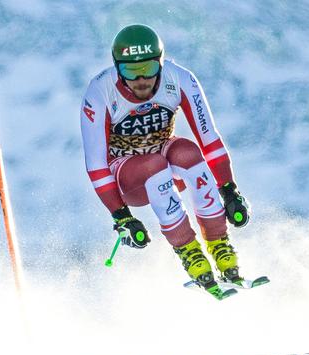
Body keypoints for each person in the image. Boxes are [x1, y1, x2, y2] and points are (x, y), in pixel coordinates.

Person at [80, 24, 251, 298]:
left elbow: (209, 138)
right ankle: (189, 253)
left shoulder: (179, 78)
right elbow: (96, 165)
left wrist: (229, 189)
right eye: (129, 71)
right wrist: (121, 215)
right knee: (153, 165)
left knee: (188, 151)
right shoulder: (100, 91)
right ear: (116, 68)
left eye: (147, 69)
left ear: (160, 62)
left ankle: (221, 248)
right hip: (128, 179)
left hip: (165, 160)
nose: (140, 80)